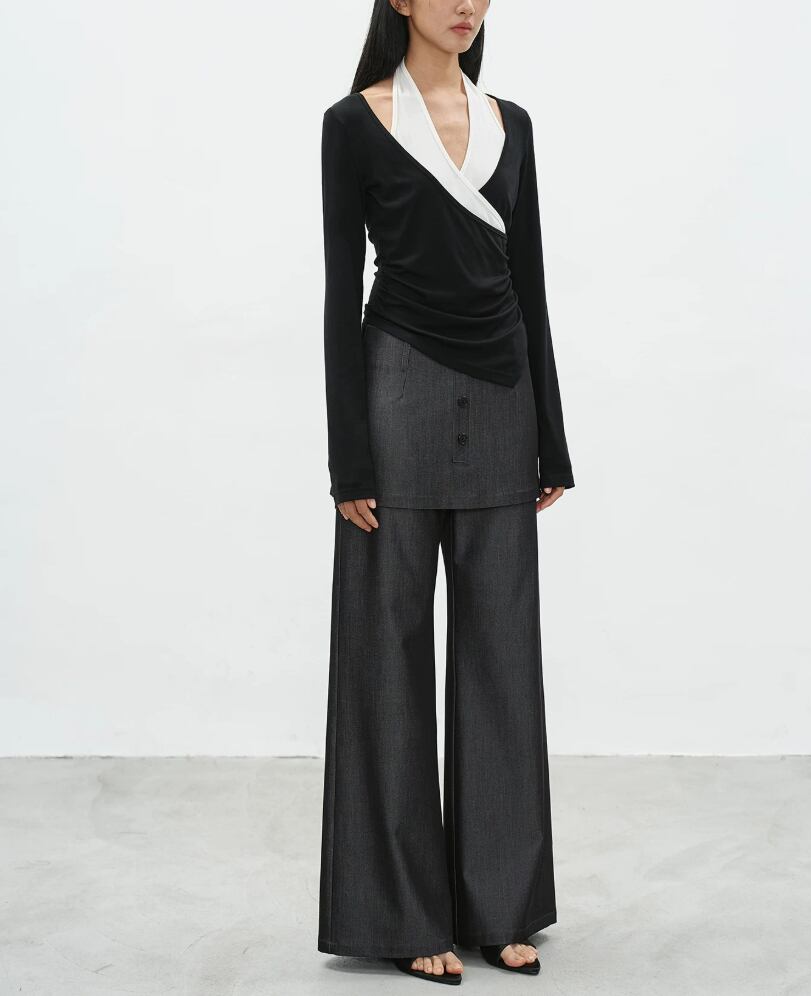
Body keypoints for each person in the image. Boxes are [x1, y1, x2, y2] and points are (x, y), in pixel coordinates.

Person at [317, 0, 575, 984]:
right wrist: (348, 461)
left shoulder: (513, 124)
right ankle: (403, 915)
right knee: (385, 654)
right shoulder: (353, 123)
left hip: (503, 401)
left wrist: (552, 437)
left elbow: (530, 281)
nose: (466, 3)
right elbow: (340, 291)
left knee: (502, 654)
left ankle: (501, 906)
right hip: (396, 398)